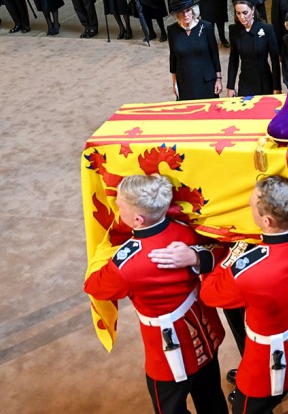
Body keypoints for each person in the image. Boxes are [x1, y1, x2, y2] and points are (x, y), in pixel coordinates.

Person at [83, 174, 228, 414]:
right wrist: (196, 257)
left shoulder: (125, 265)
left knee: (169, 408)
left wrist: (108, 246)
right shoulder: (186, 231)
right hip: (204, 333)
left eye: (119, 204)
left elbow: (94, 286)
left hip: (166, 351)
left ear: (137, 219)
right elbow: (220, 250)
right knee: (211, 397)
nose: (116, 206)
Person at [200, 175, 288, 414]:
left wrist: (233, 255)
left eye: (251, 206)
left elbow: (210, 294)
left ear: (267, 220)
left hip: (265, 360)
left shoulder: (246, 270)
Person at [167, 0, 222, 100]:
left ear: (193, 10)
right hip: (185, 82)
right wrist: (174, 83)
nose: (185, 15)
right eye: (181, 12)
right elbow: (173, 58)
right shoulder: (172, 30)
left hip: (207, 81)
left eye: (187, 10)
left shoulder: (206, 27)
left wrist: (218, 79)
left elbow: (214, 55)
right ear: (176, 14)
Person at [227, 0, 282, 97]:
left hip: (265, 81)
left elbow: (275, 61)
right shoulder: (234, 30)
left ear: (253, 10)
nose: (242, 17)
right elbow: (233, 59)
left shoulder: (267, 29)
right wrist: (230, 86)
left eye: (245, 12)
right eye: (238, 13)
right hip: (245, 81)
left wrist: (277, 87)